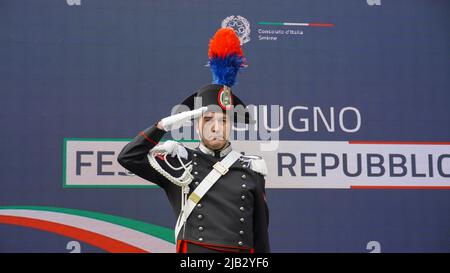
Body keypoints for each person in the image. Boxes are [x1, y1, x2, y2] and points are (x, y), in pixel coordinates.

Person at [117, 28, 270, 253]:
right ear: (197, 124)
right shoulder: (178, 161)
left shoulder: (251, 168)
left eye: (224, 120)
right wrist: (162, 126)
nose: (216, 127)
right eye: (208, 119)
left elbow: (261, 236)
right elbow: (128, 157)